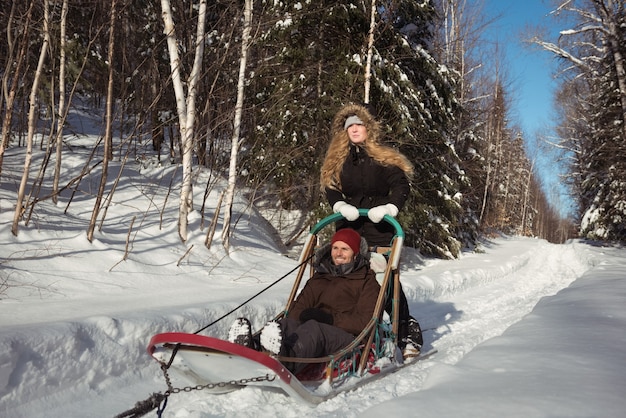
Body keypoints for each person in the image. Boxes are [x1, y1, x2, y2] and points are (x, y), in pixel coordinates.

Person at [319, 102, 423, 358]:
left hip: (379, 229)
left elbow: (401, 186)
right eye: (349, 125)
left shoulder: (384, 159)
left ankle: (404, 333)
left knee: (384, 282)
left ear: (369, 128)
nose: (354, 129)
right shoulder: (338, 160)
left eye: (358, 124)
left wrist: (390, 207)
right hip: (349, 228)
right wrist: (339, 204)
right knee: (340, 278)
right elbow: (330, 185)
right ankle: (336, 327)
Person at [228, 228, 381, 374]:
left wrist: (330, 319)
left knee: (314, 329)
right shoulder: (320, 277)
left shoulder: (367, 281)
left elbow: (365, 322)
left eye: (345, 249)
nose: (338, 253)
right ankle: (251, 347)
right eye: (335, 248)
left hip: (347, 335)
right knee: (286, 324)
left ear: (355, 253)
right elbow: (299, 307)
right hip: (315, 327)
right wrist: (299, 317)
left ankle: (286, 361)